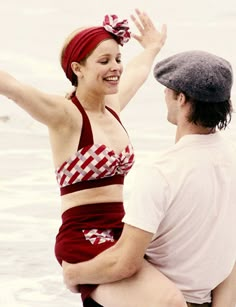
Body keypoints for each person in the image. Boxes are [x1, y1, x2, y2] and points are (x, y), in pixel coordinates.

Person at [0, 8, 187, 307]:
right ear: (78, 68)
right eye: (104, 61)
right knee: (168, 302)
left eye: (117, 59)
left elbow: (138, 73)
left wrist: (152, 47)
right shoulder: (65, 116)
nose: (115, 67)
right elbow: (12, 87)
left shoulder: (111, 107)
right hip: (84, 236)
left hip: (124, 229)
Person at [62, 50, 236, 307]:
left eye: (167, 90)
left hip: (159, 299)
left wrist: (74, 275)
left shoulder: (162, 171)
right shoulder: (231, 155)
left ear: (182, 99)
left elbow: (125, 263)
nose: (164, 95)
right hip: (209, 298)